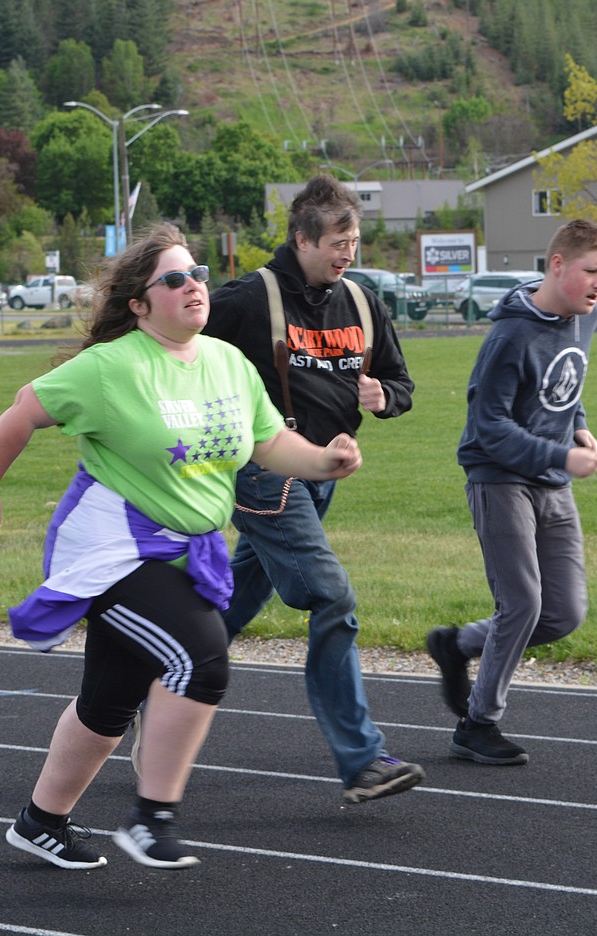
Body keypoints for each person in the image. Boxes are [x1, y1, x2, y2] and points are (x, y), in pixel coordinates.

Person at [0, 223, 364, 871]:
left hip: (187, 552)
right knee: (202, 660)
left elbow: (265, 443)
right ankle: (152, 818)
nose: (193, 285)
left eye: (198, 273)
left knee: (110, 701)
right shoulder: (108, 368)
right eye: (173, 279)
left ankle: (40, 821)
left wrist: (324, 460)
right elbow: (23, 411)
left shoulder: (227, 363)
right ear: (139, 305)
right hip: (116, 550)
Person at [203, 174, 424, 803]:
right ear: (302, 238)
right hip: (265, 472)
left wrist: (385, 399)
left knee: (237, 600)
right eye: (337, 241)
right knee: (331, 597)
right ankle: (363, 759)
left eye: (354, 241)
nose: (348, 252)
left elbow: (400, 383)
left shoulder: (363, 303)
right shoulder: (248, 298)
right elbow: (179, 354)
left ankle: (153, 682)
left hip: (325, 478)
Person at [427, 218, 597, 765]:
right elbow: (488, 427)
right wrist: (562, 454)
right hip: (500, 478)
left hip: (552, 482)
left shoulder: (586, 316)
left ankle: (458, 644)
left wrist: (577, 422)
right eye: (591, 271)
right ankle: (478, 724)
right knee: (523, 604)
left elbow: (566, 382)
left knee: (563, 613)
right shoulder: (509, 336)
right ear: (557, 265)